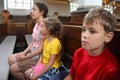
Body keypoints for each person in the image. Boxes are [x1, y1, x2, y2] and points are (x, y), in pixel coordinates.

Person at [51, 8, 120, 80]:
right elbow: (71, 76)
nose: (84, 35)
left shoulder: (111, 69)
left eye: (92, 32)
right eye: (83, 30)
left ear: (108, 37)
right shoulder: (79, 53)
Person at [8, 1, 48, 80]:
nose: (31, 12)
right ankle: (26, 70)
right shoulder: (37, 24)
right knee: (10, 58)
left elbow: (40, 49)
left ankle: (28, 73)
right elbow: (33, 43)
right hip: (33, 53)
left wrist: (25, 57)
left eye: (34, 9)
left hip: (39, 57)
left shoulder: (45, 26)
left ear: (41, 12)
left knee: (12, 69)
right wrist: (24, 52)